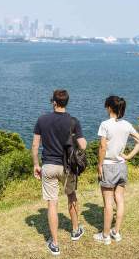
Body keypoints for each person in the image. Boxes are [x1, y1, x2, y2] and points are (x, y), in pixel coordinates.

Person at [31, 89, 87, 255]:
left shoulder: (42, 120)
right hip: (67, 167)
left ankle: (55, 244)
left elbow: (35, 146)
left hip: (48, 166)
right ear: (66, 102)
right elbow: (83, 145)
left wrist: (36, 165)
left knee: (52, 204)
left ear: (54, 102)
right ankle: (76, 230)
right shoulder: (73, 121)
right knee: (71, 196)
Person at [93, 95, 139, 245]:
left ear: (109, 107)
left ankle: (105, 235)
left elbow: (103, 147)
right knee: (120, 200)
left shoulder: (105, 124)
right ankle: (116, 232)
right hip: (122, 165)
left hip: (108, 165)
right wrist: (128, 156)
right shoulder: (127, 124)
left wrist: (99, 165)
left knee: (108, 203)